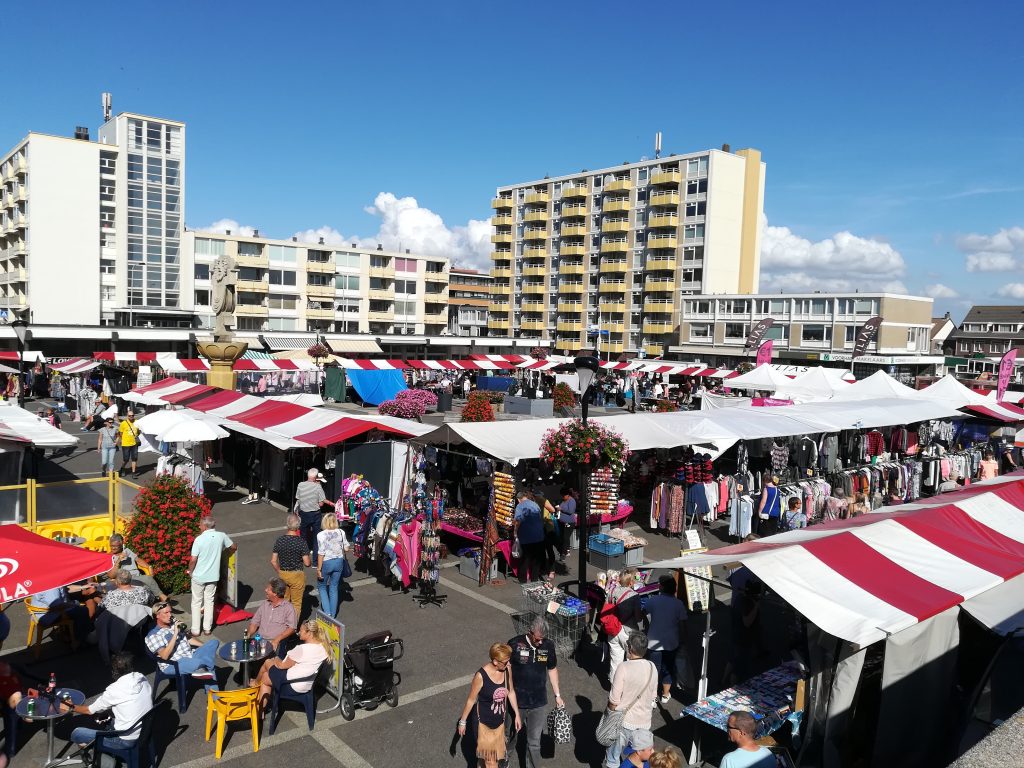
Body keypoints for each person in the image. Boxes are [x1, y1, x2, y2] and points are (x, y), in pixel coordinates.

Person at [61, 652, 152, 749]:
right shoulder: (141, 678)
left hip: (125, 740)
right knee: (103, 717)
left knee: (77, 733)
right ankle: (99, 741)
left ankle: (96, 753)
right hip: (144, 731)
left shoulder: (115, 690)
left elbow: (89, 710)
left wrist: (70, 707)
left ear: (115, 671)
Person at [508, 616, 564, 768]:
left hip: (538, 702)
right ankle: (502, 763)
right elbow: (505, 669)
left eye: (542, 639)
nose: (540, 643)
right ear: (530, 632)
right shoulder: (514, 644)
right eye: (537, 639)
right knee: (511, 737)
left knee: (534, 742)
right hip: (517, 702)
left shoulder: (548, 645)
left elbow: (552, 669)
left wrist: (557, 695)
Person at [457, 643, 522, 768]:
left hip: (499, 724)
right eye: (505, 662)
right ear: (495, 661)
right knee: (491, 763)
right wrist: (463, 722)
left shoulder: (507, 670)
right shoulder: (481, 676)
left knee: (489, 760)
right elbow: (471, 700)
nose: (509, 664)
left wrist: (517, 714)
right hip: (483, 725)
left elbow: (511, 692)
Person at [604, 632, 657, 768]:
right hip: (645, 723)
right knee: (641, 759)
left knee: (613, 757)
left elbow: (614, 700)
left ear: (630, 649)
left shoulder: (623, 667)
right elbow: (653, 696)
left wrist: (608, 715)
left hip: (624, 722)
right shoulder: (652, 667)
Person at [251, 618, 329, 709]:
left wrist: (275, 657)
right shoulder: (323, 648)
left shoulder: (301, 649)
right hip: (307, 684)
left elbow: (281, 666)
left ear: (309, 633)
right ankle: (259, 703)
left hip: (292, 685)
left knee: (267, 664)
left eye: (301, 631)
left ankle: (256, 686)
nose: (298, 633)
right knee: (265, 675)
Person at [186, 516, 235, 637]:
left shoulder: (199, 539)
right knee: (209, 601)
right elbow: (233, 547)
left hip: (198, 576)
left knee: (196, 602)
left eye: (200, 525)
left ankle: (195, 630)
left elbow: (193, 560)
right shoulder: (221, 536)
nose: (199, 526)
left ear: (205, 526)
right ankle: (207, 629)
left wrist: (190, 571)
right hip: (213, 576)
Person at [144, 601, 218, 680]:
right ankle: (204, 667)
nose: (170, 615)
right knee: (204, 663)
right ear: (157, 615)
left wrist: (204, 647)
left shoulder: (173, 623)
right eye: (166, 613)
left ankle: (201, 667)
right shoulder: (154, 635)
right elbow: (164, 656)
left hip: (190, 654)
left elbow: (187, 638)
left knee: (213, 643)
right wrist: (175, 633)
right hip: (174, 663)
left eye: (170, 612)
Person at [644, 575, 687, 705]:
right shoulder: (678, 603)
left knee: (653, 670)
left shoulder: (653, 600)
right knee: (668, 669)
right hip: (671, 642)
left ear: (661, 587)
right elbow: (683, 624)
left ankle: (652, 698)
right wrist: (683, 639)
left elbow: (642, 613)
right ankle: (665, 694)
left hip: (653, 641)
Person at [606, 569, 643, 684]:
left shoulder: (612, 591)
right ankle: (627, 686)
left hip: (613, 629)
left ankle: (614, 685)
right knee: (630, 660)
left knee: (615, 660)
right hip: (628, 631)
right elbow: (638, 617)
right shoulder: (634, 596)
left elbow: (607, 607)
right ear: (631, 583)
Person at [106, 533, 166, 602]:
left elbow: (139, 560)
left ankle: (159, 602)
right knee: (148, 580)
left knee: (147, 584)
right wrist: (118, 560)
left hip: (137, 576)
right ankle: (163, 598)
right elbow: (111, 575)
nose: (113, 548)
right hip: (125, 580)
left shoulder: (127, 551)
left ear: (121, 543)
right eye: (111, 546)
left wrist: (149, 567)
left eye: (115, 546)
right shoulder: (109, 557)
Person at [247, 578, 297, 659]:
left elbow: (292, 628)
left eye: (268, 589)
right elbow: (255, 622)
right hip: (259, 639)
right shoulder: (265, 604)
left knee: (267, 664)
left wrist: (277, 639)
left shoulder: (288, 608)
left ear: (275, 593)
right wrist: (249, 634)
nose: (265, 590)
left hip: (274, 642)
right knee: (244, 656)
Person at [273, 514, 311, 619]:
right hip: (297, 575)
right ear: (298, 526)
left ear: (287, 524)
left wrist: (280, 571)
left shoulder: (279, 540)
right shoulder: (301, 542)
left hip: (283, 574)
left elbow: (273, 561)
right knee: (296, 604)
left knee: (284, 601)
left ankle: (281, 623)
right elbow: (307, 563)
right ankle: (291, 628)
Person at [294, 468, 333, 562]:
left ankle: (304, 557)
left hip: (304, 513)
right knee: (317, 537)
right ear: (315, 477)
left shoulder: (300, 485)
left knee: (303, 536)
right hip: (315, 514)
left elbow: (298, 498)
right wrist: (332, 504)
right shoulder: (317, 487)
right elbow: (322, 502)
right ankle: (315, 562)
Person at [316, 513, 349, 618]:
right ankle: (333, 615)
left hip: (326, 562)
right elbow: (346, 548)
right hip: (339, 561)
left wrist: (318, 568)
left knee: (322, 586)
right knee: (334, 587)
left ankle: (328, 613)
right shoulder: (341, 532)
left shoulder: (320, 535)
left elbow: (321, 553)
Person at [513, 491, 545, 583]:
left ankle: (522, 579)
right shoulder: (535, 504)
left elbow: (518, 521)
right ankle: (534, 579)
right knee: (536, 558)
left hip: (527, 536)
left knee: (525, 558)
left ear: (519, 499)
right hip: (539, 535)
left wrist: (515, 532)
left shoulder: (520, 506)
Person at [117, 411, 141, 478]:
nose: (131, 417)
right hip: (126, 444)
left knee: (134, 458)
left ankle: (133, 473)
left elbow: (138, 432)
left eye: (132, 415)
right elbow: (120, 433)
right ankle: (122, 468)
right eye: (130, 416)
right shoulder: (123, 423)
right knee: (126, 459)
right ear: (127, 416)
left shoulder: (137, 422)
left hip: (134, 443)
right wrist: (123, 440)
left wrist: (135, 436)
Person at [556, 487, 577, 561]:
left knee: (565, 537)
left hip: (569, 522)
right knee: (563, 537)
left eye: (563, 495)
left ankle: (563, 553)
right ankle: (565, 550)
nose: (562, 497)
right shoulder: (564, 501)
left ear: (568, 495)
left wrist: (561, 509)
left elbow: (570, 511)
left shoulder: (572, 501)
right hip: (562, 522)